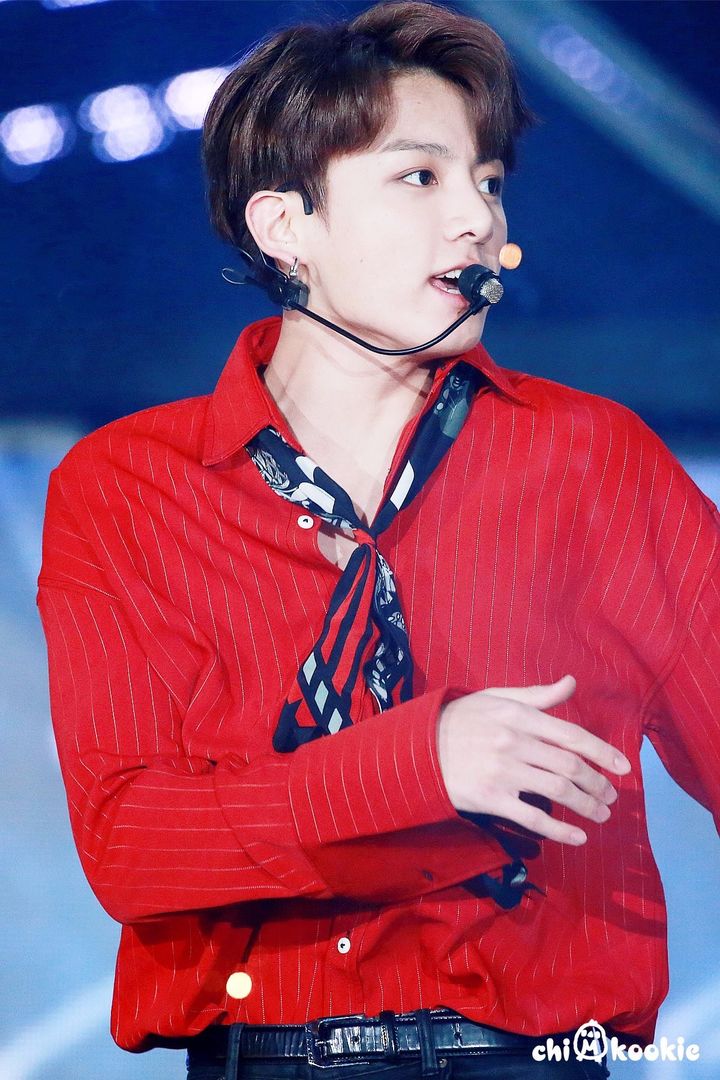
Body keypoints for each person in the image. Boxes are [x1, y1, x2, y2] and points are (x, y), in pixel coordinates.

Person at [38, 2, 720, 1079]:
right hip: (265, 1056)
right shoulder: (128, 487)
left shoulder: (596, 460)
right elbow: (131, 846)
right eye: (421, 177)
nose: (479, 221)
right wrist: (419, 764)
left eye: (488, 182)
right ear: (285, 227)